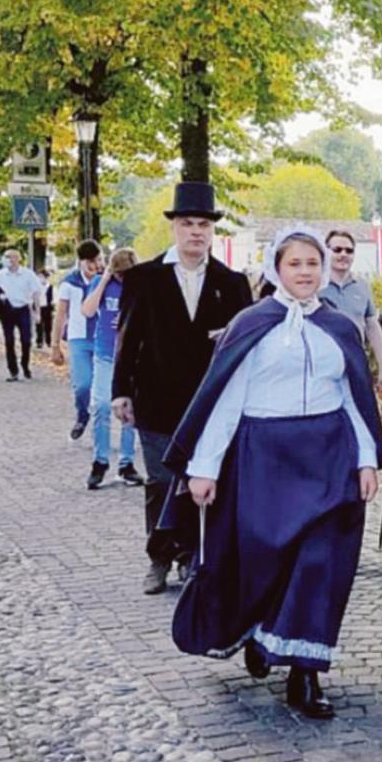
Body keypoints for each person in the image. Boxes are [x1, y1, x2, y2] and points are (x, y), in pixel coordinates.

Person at [161, 226, 382, 718]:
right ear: (276, 270)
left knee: (319, 562)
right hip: (264, 457)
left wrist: (367, 459)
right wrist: (204, 468)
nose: (305, 272)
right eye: (295, 264)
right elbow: (226, 400)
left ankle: (305, 674)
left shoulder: (340, 328)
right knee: (267, 560)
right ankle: (262, 633)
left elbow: (354, 398)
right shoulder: (252, 323)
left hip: (329, 456)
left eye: (313, 263)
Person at [113, 182, 253, 595]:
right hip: (156, 398)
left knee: (202, 478)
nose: (196, 232)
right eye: (188, 223)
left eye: (204, 225)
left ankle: (192, 556)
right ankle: (158, 556)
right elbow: (128, 337)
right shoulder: (144, 278)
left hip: (210, 404)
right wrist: (121, 390)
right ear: (175, 227)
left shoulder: (232, 284)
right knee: (159, 481)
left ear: (213, 231)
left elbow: (244, 346)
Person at [81, 247, 143, 490]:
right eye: (118, 274)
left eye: (124, 274)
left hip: (131, 355)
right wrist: (104, 278)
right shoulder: (102, 282)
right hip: (105, 353)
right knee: (101, 406)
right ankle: (100, 461)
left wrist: (130, 320)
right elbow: (87, 311)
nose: (121, 279)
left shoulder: (141, 285)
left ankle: (126, 463)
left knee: (129, 410)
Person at [319, 229, 382, 391]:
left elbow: (372, 326)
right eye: (337, 250)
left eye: (349, 250)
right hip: (322, 365)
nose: (343, 254)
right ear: (326, 252)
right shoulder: (315, 287)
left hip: (356, 363)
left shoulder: (362, 286)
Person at [53, 241, 104, 440]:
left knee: (104, 388)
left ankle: (101, 428)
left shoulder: (106, 278)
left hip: (104, 339)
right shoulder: (69, 283)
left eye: (99, 260)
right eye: (91, 262)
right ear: (81, 262)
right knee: (83, 384)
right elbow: (61, 314)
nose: (96, 265)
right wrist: (55, 345)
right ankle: (82, 415)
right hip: (79, 338)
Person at [0, 250, 43, 381]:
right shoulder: (1, 275)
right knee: (9, 341)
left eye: (12, 257)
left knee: (26, 340)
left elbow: (36, 293)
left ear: (19, 258)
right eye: (7, 257)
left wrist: (37, 312)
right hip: (7, 311)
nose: (10, 259)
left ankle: (25, 365)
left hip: (23, 309)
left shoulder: (28, 274)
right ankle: (13, 371)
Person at [35, 270, 55, 348]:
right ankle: (39, 341)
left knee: (48, 326)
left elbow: (54, 299)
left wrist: (53, 308)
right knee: (39, 325)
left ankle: (48, 341)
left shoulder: (50, 287)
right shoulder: (36, 287)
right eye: (39, 277)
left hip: (48, 308)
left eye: (41, 277)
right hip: (39, 307)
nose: (40, 279)